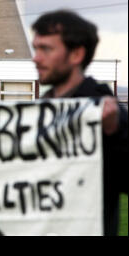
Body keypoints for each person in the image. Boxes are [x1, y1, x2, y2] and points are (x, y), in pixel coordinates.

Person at [32, 10, 128, 236]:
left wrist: (112, 132)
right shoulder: (39, 109)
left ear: (76, 55)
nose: (36, 57)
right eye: (35, 48)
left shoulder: (106, 110)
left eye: (46, 49)